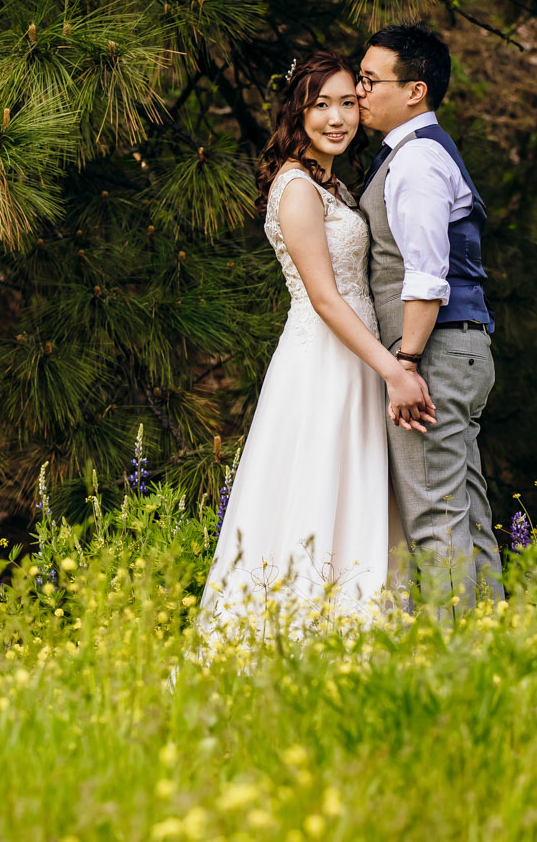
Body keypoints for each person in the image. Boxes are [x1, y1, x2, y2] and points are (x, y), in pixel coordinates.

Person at [196, 50, 432, 640]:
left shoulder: (333, 186)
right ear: (297, 111)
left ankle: (355, 637)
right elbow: (325, 299)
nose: (337, 118)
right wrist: (394, 370)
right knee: (314, 487)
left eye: (349, 103)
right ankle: (296, 637)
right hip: (324, 361)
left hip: (354, 360)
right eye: (321, 104)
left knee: (352, 492)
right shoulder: (296, 186)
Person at [354, 23, 504, 609]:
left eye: (370, 80)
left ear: (414, 90)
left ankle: (453, 662)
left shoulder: (415, 162)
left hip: (434, 353)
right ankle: (493, 644)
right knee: (464, 510)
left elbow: (425, 275)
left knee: (435, 518)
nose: (360, 91)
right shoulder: (420, 152)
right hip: (459, 350)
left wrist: (407, 363)